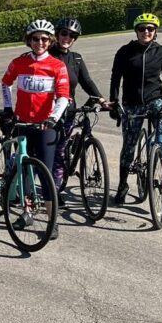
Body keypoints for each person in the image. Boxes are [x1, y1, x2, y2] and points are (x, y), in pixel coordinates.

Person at [0, 20, 70, 240]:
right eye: (35, 38)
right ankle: (28, 212)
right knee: (24, 173)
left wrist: (53, 118)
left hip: (45, 126)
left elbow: (63, 97)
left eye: (44, 39)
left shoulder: (57, 66)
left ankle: (52, 221)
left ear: (50, 41)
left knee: (46, 174)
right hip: (23, 124)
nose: (39, 42)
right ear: (29, 40)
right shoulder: (19, 63)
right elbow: (5, 84)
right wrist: (9, 109)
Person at [109, 12, 162, 205]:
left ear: (155, 32)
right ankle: (123, 185)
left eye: (150, 29)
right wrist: (114, 103)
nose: (146, 32)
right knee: (129, 146)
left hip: (155, 99)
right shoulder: (124, 51)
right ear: (136, 31)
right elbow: (116, 79)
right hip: (131, 102)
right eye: (142, 29)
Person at [48, 18, 107, 201]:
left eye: (72, 35)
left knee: (61, 149)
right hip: (48, 110)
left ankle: (56, 189)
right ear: (57, 34)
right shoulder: (47, 55)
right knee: (54, 152)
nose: (68, 38)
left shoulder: (76, 58)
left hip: (69, 110)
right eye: (64, 33)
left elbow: (86, 81)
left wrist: (101, 99)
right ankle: (53, 194)